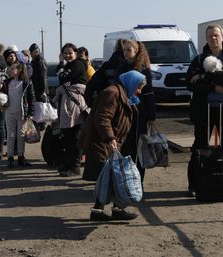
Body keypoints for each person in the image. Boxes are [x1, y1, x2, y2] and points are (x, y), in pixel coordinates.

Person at [186, 23, 223, 198]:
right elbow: (190, 83)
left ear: (222, 36)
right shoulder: (198, 60)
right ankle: (194, 184)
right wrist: (215, 83)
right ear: (206, 38)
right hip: (204, 111)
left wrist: (205, 77)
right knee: (199, 146)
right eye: (210, 35)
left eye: (216, 35)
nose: (214, 38)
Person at [79, 70, 146, 221]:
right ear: (132, 83)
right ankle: (98, 211)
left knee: (114, 177)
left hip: (114, 142)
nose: (139, 91)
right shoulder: (112, 93)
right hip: (103, 143)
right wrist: (109, 137)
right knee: (108, 178)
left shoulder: (124, 94)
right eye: (139, 87)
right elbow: (103, 118)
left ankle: (115, 209)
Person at [116, 39, 156, 183]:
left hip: (139, 112)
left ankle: (138, 179)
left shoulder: (143, 69)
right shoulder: (121, 67)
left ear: (136, 51)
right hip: (123, 112)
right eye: (124, 49)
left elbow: (149, 92)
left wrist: (151, 115)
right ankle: (126, 179)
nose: (125, 53)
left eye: (128, 50)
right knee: (125, 146)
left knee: (139, 146)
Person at [54, 43, 88, 177]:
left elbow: (62, 77)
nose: (68, 55)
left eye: (70, 53)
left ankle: (75, 166)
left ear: (75, 53)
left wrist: (62, 71)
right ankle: (69, 164)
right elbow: (61, 76)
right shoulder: (68, 66)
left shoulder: (78, 64)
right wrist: (61, 67)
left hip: (74, 103)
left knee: (74, 136)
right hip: (67, 102)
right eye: (65, 53)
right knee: (67, 135)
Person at [0, 63, 36, 168]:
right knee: (11, 135)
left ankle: (21, 157)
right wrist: (0, 102)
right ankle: (10, 158)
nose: (10, 71)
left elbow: (31, 99)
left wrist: (30, 113)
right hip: (9, 113)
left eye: (12, 69)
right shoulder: (7, 83)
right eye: (10, 69)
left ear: (19, 70)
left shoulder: (27, 83)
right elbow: (1, 95)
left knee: (21, 136)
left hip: (22, 114)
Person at [84, 39, 126, 107]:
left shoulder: (106, 65)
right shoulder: (128, 65)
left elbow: (92, 84)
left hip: (107, 102)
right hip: (123, 102)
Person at [29, 43, 48, 131]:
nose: (31, 54)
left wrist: (43, 90)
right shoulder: (34, 61)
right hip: (35, 89)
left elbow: (42, 76)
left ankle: (41, 125)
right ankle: (39, 125)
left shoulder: (40, 60)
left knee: (40, 109)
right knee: (38, 109)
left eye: (32, 52)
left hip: (39, 90)